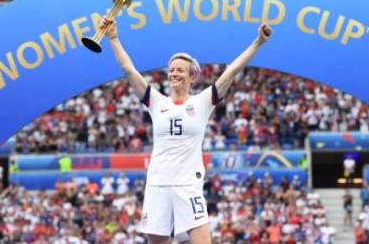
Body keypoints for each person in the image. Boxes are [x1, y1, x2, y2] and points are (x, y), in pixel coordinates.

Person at [101, 16, 272, 244]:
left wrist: (258, 42)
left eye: (180, 70)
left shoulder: (202, 102)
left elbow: (232, 71)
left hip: (188, 186)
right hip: (158, 184)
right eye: (171, 70)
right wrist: (113, 38)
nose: (174, 73)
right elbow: (129, 69)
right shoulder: (156, 102)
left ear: (192, 76)